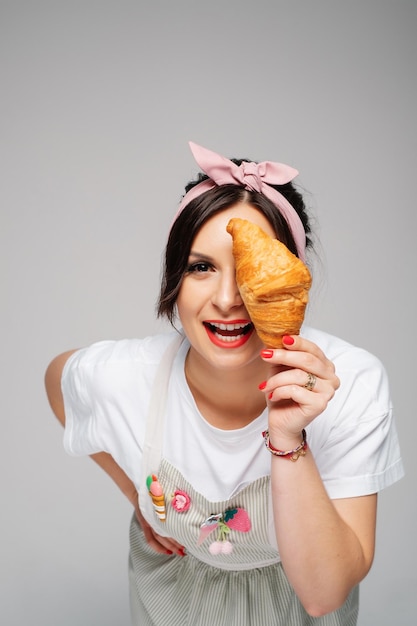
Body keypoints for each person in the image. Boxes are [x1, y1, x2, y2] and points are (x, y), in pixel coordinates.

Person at [45, 142, 404, 626]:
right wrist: (137, 497)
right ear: (175, 278)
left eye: (250, 271)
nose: (228, 299)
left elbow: (324, 594)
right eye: (201, 267)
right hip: (172, 592)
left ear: (292, 279)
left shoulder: (351, 382)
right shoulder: (128, 375)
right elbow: (58, 381)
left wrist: (288, 436)